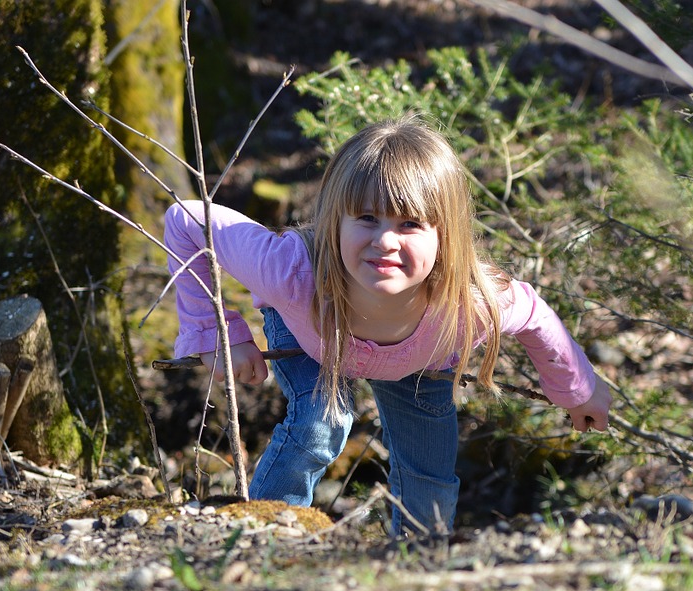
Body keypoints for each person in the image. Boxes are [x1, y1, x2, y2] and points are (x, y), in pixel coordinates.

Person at [165, 114, 611, 535]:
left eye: (411, 223)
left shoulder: (467, 305)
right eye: (366, 218)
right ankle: (268, 535)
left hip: (421, 357)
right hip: (313, 329)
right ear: (334, 220)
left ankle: (416, 558)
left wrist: (578, 390)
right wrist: (219, 333)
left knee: (430, 471)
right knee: (322, 424)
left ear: (445, 235)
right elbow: (187, 219)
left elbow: (535, 315)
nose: (384, 241)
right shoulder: (290, 271)